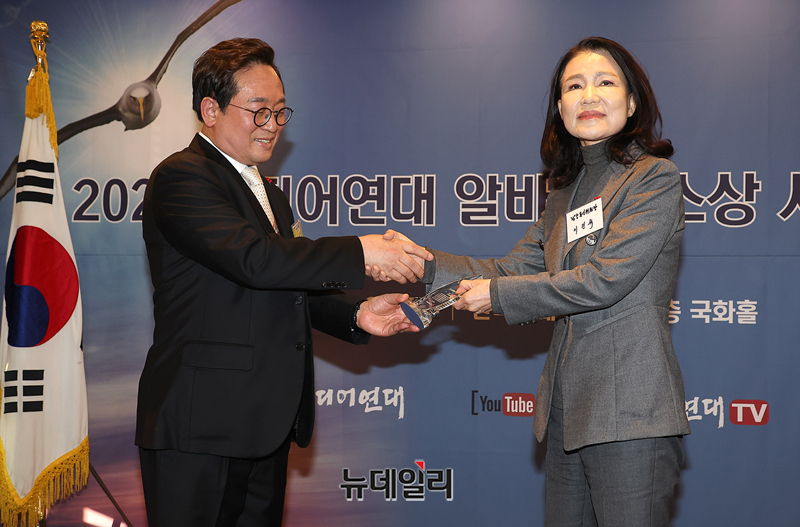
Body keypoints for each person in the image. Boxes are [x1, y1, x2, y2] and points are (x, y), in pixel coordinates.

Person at [136, 37, 432, 527]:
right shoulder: (181, 177)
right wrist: (362, 251)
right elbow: (255, 261)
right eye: (258, 111)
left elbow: (287, 286)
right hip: (199, 427)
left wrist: (356, 314)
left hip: (263, 425)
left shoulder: (271, 197)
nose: (272, 125)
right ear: (210, 110)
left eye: (280, 111)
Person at [406, 37, 691, 526]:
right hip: (565, 419)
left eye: (605, 83)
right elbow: (511, 270)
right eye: (574, 86)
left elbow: (603, 280)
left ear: (631, 102)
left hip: (629, 418)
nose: (589, 96)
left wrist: (496, 297)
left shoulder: (653, 179)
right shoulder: (562, 195)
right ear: (560, 108)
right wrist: (423, 263)